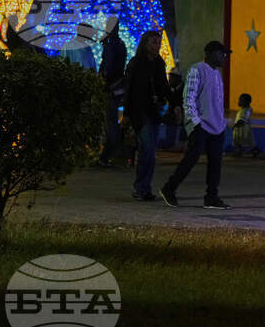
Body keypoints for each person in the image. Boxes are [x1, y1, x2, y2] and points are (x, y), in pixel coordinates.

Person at [160, 41, 231, 209]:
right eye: (223, 54)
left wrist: (221, 121)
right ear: (212, 53)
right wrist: (195, 122)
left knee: (215, 163)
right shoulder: (197, 69)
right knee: (191, 159)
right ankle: (169, 188)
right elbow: (189, 97)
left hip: (216, 126)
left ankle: (211, 197)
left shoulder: (217, 74)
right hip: (201, 125)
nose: (224, 58)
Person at [123, 31, 171, 201]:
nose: (156, 46)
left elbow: (163, 86)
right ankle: (140, 187)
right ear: (145, 44)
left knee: (150, 152)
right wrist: (127, 114)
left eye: (158, 43)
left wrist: (174, 103)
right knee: (147, 149)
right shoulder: (136, 63)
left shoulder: (158, 63)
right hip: (139, 112)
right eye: (153, 43)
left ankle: (145, 187)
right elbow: (129, 90)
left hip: (154, 111)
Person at [96, 27, 127, 167]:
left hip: (109, 88)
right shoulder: (121, 44)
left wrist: (102, 80)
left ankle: (107, 155)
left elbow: (107, 68)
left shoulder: (110, 45)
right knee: (115, 121)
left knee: (110, 122)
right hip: (118, 87)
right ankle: (114, 154)